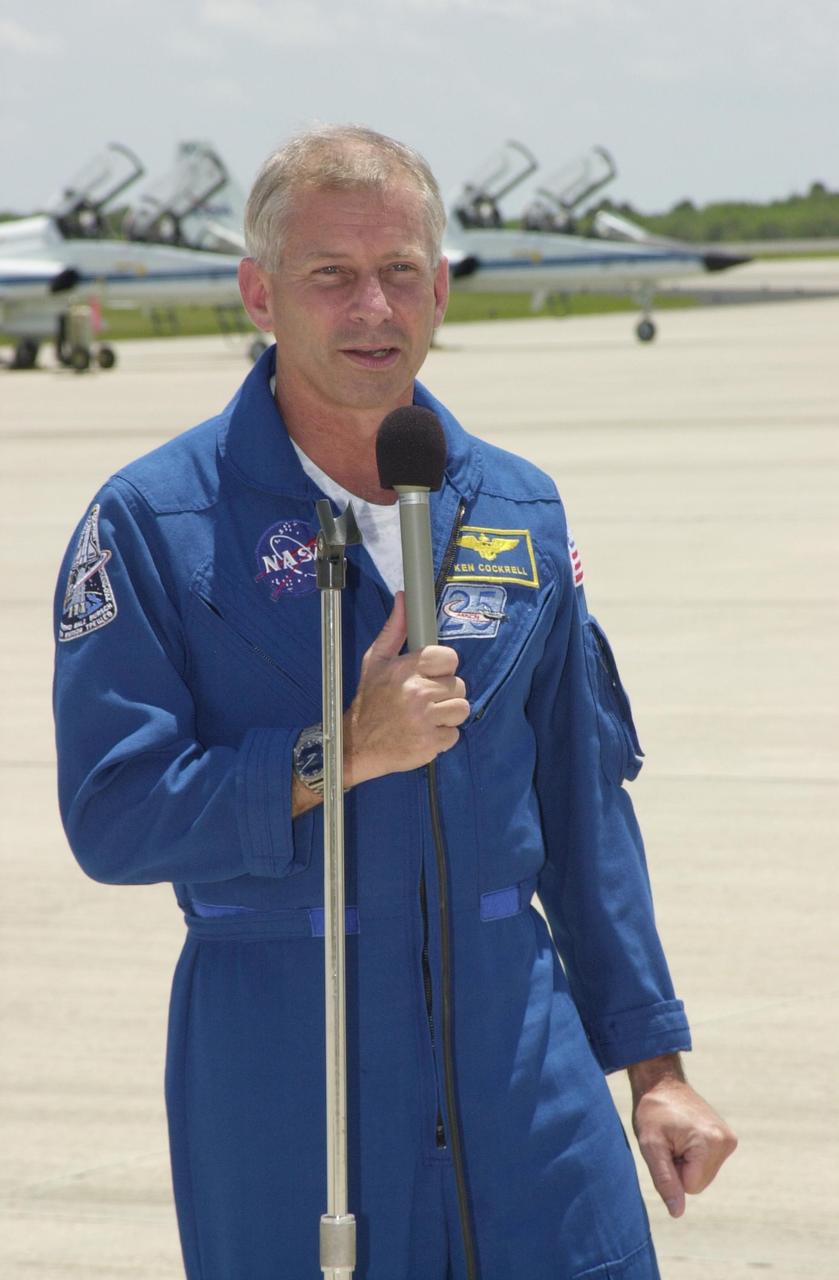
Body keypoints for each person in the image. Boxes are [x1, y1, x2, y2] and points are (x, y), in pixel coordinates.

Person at [53, 125, 736, 1280]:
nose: (373, 306)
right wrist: (334, 752)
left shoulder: (518, 507)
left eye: (401, 271)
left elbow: (582, 809)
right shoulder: (155, 523)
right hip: (284, 1065)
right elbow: (113, 814)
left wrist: (654, 1065)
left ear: (440, 287)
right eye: (331, 274)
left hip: (522, 1061)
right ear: (260, 293)